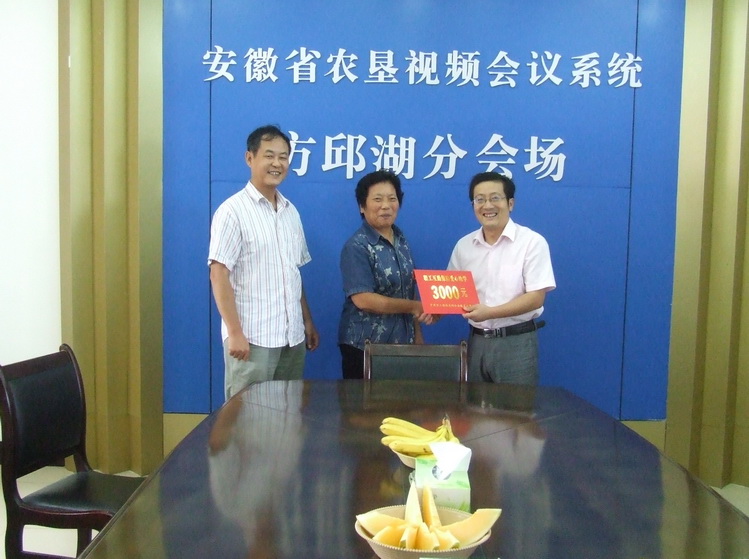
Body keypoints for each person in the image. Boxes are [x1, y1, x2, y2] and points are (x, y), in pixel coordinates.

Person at [208, 124, 319, 400]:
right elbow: (218, 274)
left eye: (283, 157)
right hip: (252, 340)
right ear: (250, 158)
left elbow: (292, 273)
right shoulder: (232, 211)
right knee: (248, 418)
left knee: (287, 415)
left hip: (291, 339)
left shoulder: (290, 212)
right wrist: (234, 332)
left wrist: (307, 321)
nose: (277, 163)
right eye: (269, 155)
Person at [447, 171, 555, 385]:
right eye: (480, 199)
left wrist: (490, 312)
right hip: (476, 341)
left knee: (516, 405)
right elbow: (452, 291)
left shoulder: (532, 242)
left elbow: (536, 298)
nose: (487, 205)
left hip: (516, 342)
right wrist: (435, 311)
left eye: (495, 198)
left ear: (510, 203)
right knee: (474, 404)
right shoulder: (464, 246)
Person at [338, 169, 431, 379]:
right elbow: (364, 300)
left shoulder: (401, 240)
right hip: (365, 346)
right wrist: (415, 307)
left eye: (392, 198)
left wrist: (417, 333)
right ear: (362, 207)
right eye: (377, 199)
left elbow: (409, 289)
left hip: (402, 344)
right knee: (365, 401)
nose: (386, 205)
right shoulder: (357, 246)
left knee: (400, 399)